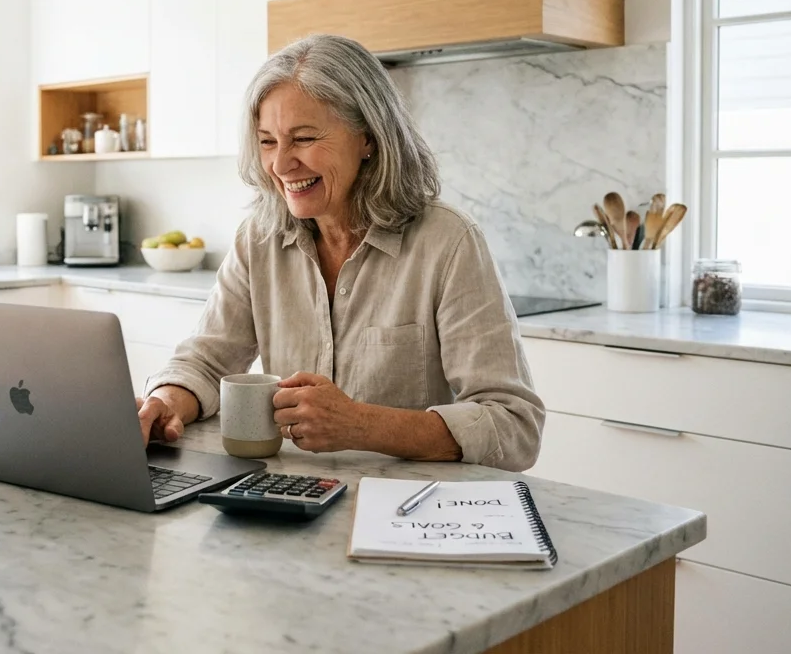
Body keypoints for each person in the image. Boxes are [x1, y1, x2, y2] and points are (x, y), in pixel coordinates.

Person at [136, 34, 543, 471]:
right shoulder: (258, 239)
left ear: (368, 138)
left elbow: (515, 427)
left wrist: (362, 425)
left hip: (408, 512)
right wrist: (166, 403)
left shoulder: (448, 241)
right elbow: (206, 361)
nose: (280, 164)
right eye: (268, 141)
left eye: (304, 138)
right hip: (291, 501)